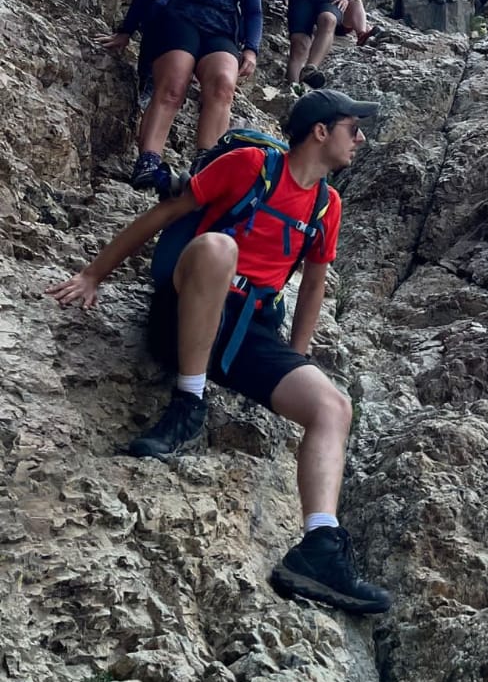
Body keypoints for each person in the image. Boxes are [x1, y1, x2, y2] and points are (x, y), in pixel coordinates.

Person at [45, 89, 390, 616]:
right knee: (218, 246)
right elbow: (170, 211)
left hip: (247, 332)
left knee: (333, 406)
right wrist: (93, 274)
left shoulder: (327, 205)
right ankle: (188, 402)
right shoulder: (251, 165)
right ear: (321, 131)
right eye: (353, 128)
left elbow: (314, 286)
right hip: (184, 312)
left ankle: (318, 547)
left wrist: (296, 360)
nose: (360, 139)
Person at [101, 0, 263, 188]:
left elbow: (253, 10)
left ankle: (206, 166)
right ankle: (148, 161)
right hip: (178, 17)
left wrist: (251, 49)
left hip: (220, 27)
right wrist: (126, 30)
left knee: (223, 86)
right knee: (173, 85)